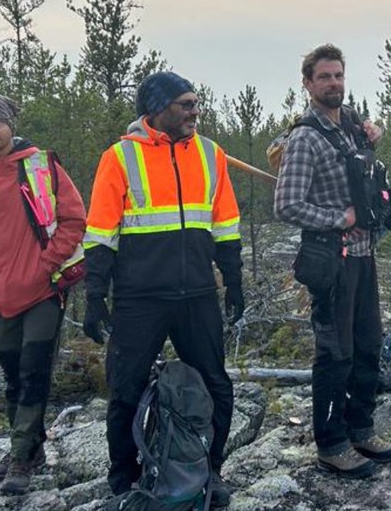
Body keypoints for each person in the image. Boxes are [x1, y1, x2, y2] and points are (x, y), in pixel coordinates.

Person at [82, 72, 243, 506]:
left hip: (197, 296)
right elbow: (100, 233)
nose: (195, 111)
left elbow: (225, 224)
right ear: (156, 109)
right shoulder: (119, 157)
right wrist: (94, 296)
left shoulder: (211, 154)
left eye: (196, 103)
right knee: (126, 388)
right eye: (185, 104)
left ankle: (210, 469)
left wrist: (233, 281)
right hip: (140, 298)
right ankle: (124, 478)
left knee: (215, 384)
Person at [274, 43, 391, 479]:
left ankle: (360, 428)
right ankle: (331, 444)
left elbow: (370, 143)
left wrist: (375, 128)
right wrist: (337, 218)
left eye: (338, 76)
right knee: (335, 353)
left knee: (368, 345)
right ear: (307, 84)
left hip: (364, 258)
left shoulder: (349, 129)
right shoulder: (305, 138)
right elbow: (286, 205)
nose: (333, 83)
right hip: (331, 261)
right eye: (324, 77)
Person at [0, 94, 86, 495]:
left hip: (42, 290)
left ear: (10, 124)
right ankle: (28, 448)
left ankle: (22, 456)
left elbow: (75, 219)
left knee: (33, 371)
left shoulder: (41, 165)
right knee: (12, 376)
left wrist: (45, 266)